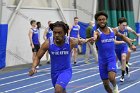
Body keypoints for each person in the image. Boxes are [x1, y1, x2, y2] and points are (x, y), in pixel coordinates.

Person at [29, 21, 88, 93]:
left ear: (65, 33)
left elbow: (81, 41)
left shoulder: (70, 41)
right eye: (54, 32)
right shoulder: (48, 43)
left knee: (58, 89)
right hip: (54, 72)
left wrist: (88, 40)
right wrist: (33, 67)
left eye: (59, 33)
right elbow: (38, 57)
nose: (56, 35)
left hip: (66, 70)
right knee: (61, 90)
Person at [92, 11, 136, 93]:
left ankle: (115, 86)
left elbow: (123, 36)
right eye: (99, 20)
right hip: (102, 61)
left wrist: (131, 44)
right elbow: (95, 36)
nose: (101, 21)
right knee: (105, 84)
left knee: (111, 77)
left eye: (103, 19)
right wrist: (93, 39)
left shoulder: (113, 30)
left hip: (111, 59)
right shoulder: (97, 32)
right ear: (97, 21)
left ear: (106, 20)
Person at [114, 17, 140, 82]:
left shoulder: (127, 28)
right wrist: (122, 41)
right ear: (119, 24)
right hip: (117, 47)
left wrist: (136, 35)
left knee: (124, 57)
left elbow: (133, 31)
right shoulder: (115, 30)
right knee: (121, 60)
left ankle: (122, 75)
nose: (124, 27)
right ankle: (125, 66)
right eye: (123, 25)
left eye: (125, 25)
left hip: (124, 46)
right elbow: (113, 41)